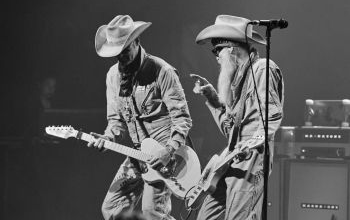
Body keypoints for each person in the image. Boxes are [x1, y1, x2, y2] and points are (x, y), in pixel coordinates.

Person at [89, 15, 192, 220]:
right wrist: (108, 138)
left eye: (125, 50)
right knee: (112, 208)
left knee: (152, 212)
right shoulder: (112, 76)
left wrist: (169, 150)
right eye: (117, 53)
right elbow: (116, 122)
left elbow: (182, 119)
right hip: (137, 155)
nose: (122, 57)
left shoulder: (162, 70)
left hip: (165, 154)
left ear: (136, 42)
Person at [190, 15, 284, 220]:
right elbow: (229, 130)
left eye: (217, 50)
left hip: (251, 159)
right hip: (231, 158)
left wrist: (253, 142)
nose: (216, 56)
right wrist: (213, 98)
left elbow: (272, 115)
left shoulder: (262, 68)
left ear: (231, 48)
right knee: (206, 216)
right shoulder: (238, 80)